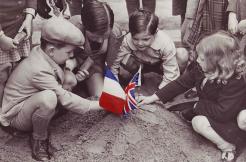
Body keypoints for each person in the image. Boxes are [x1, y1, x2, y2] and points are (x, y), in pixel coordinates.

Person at [0, 17, 102, 161]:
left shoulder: (43, 52)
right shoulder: (38, 69)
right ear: (52, 50)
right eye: (69, 52)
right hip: (16, 116)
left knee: (70, 79)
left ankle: (52, 115)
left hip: (29, 101)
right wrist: (98, 104)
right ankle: (39, 138)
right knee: (49, 98)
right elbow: (64, 97)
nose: (72, 55)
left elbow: (60, 69)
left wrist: (71, 68)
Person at [138, 31, 246, 162]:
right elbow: (180, 83)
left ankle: (228, 146)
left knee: (204, 122)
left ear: (216, 62)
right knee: (195, 120)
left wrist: (197, 106)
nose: (197, 60)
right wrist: (153, 97)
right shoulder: (200, 69)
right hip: (214, 112)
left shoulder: (234, 82)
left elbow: (224, 112)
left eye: (201, 58)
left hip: (231, 119)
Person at [110, 9, 188, 89]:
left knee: (182, 54)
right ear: (131, 33)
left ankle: (178, 81)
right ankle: (138, 77)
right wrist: (114, 84)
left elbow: (170, 72)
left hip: (161, 65)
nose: (140, 43)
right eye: (135, 39)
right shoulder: (126, 40)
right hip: (140, 64)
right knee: (122, 57)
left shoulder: (166, 43)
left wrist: (160, 93)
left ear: (155, 33)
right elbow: (114, 63)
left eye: (145, 39)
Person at [66, 0, 123, 97]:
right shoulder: (72, 27)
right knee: (67, 82)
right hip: (70, 66)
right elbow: (58, 57)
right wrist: (69, 68)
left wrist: (113, 83)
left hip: (94, 68)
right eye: (95, 37)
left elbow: (112, 64)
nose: (100, 41)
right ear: (84, 26)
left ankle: (84, 87)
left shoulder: (115, 34)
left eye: (105, 36)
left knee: (100, 98)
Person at [0, 0, 37, 106]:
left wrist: (29, 17)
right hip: (3, 36)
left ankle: (14, 108)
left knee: (19, 72)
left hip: (20, 30)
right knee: (1, 76)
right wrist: (1, 37)